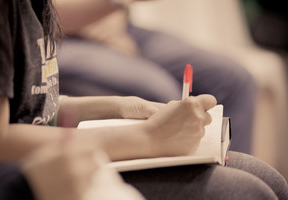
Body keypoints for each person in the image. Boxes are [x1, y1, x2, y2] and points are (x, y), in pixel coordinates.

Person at [0, 0, 288, 200]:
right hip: (23, 175)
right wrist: (149, 138)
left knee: (271, 182)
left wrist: (121, 107)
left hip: (49, 153)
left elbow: (35, 106)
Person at [56, 0, 257, 154]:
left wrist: (114, 17)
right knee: (161, 93)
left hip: (118, 23)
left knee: (234, 79)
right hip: (56, 37)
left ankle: (228, 175)